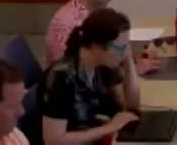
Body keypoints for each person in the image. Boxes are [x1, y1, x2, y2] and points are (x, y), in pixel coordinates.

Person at [39, 8, 143, 145]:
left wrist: (129, 60)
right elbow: (53, 140)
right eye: (120, 47)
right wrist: (109, 128)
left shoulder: (104, 63)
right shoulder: (61, 77)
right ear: (97, 46)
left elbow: (130, 106)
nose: (123, 53)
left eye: (126, 46)